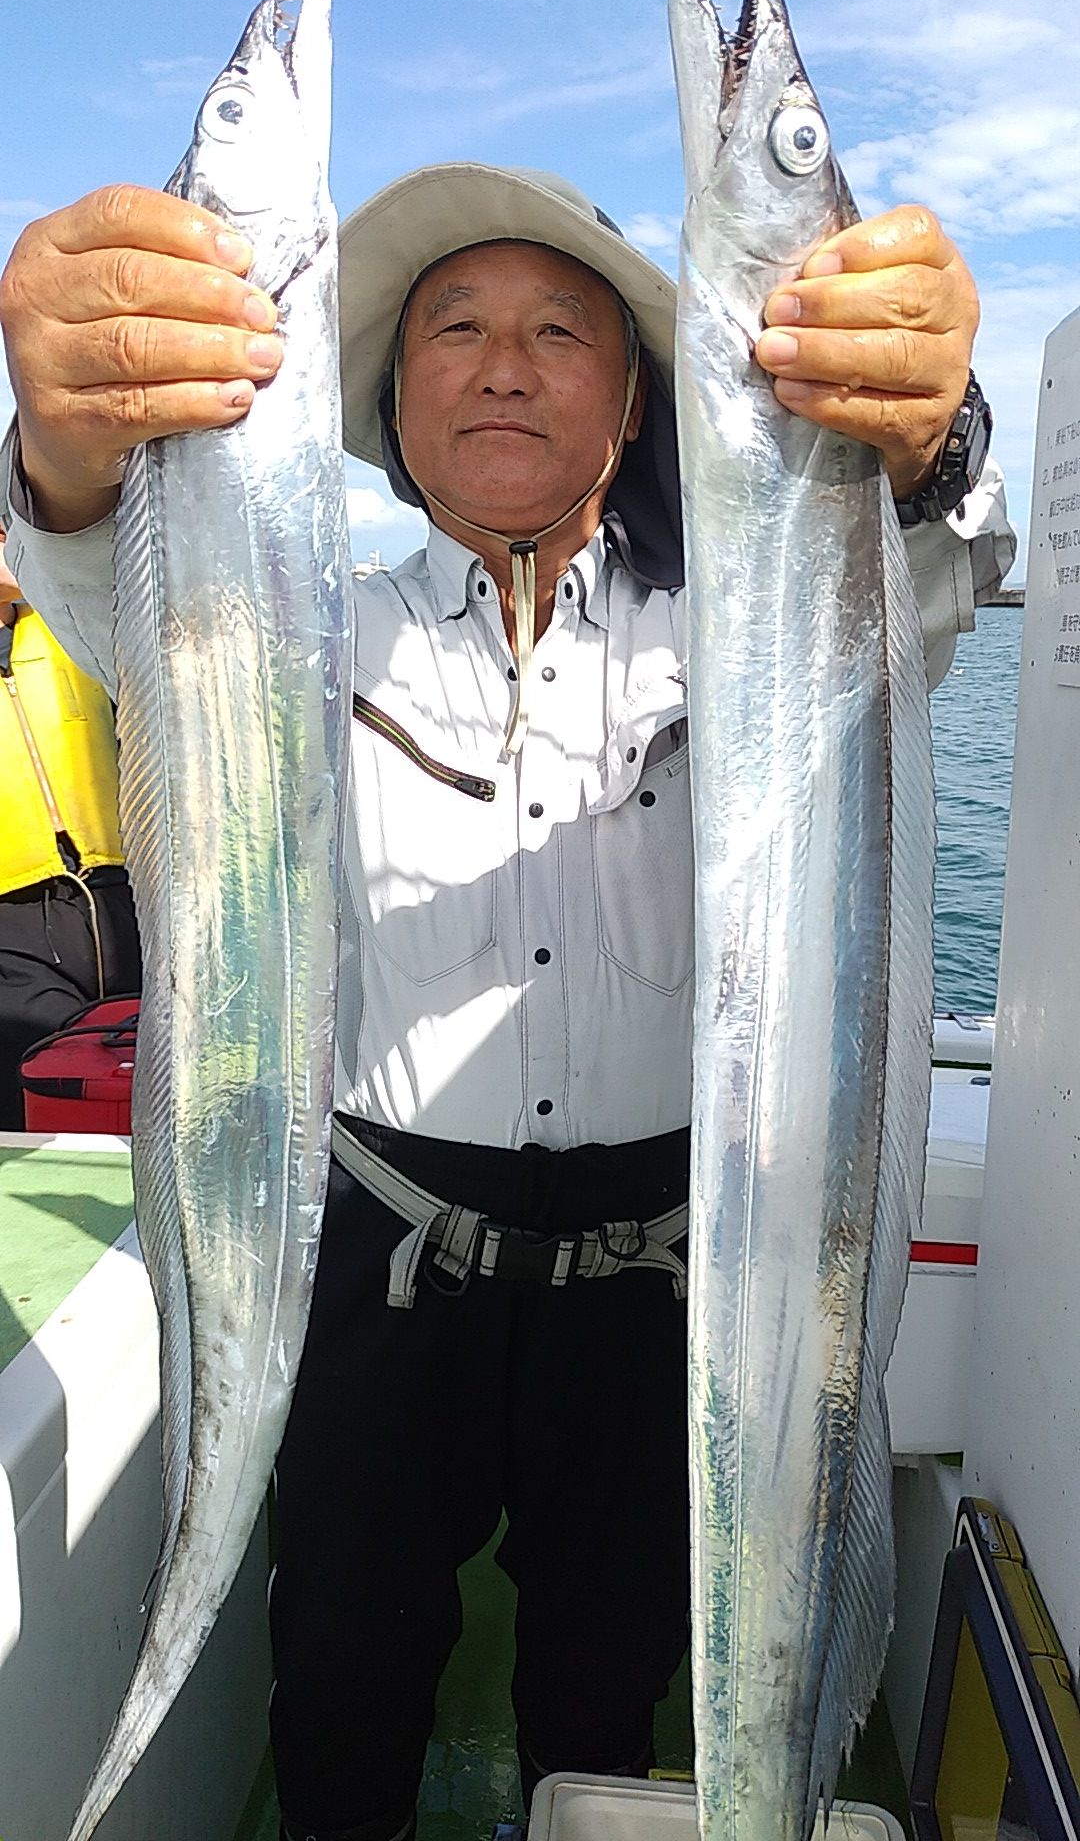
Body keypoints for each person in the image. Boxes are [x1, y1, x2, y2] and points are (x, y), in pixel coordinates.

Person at [0, 167, 1013, 1841]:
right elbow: (100, 566)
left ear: (636, 401)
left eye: (560, 331)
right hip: (376, 1254)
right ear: (392, 405)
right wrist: (60, 440)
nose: (503, 366)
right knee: (341, 1683)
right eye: (455, 328)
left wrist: (936, 433)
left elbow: (934, 564)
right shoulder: (290, 624)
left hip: (666, 1274)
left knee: (605, 1695)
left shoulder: (762, 621)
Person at [0, 526, 140, 1129]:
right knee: (37, 1098)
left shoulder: (75, 628)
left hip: (122, 898)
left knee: (145, 1087)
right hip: (14, 917)